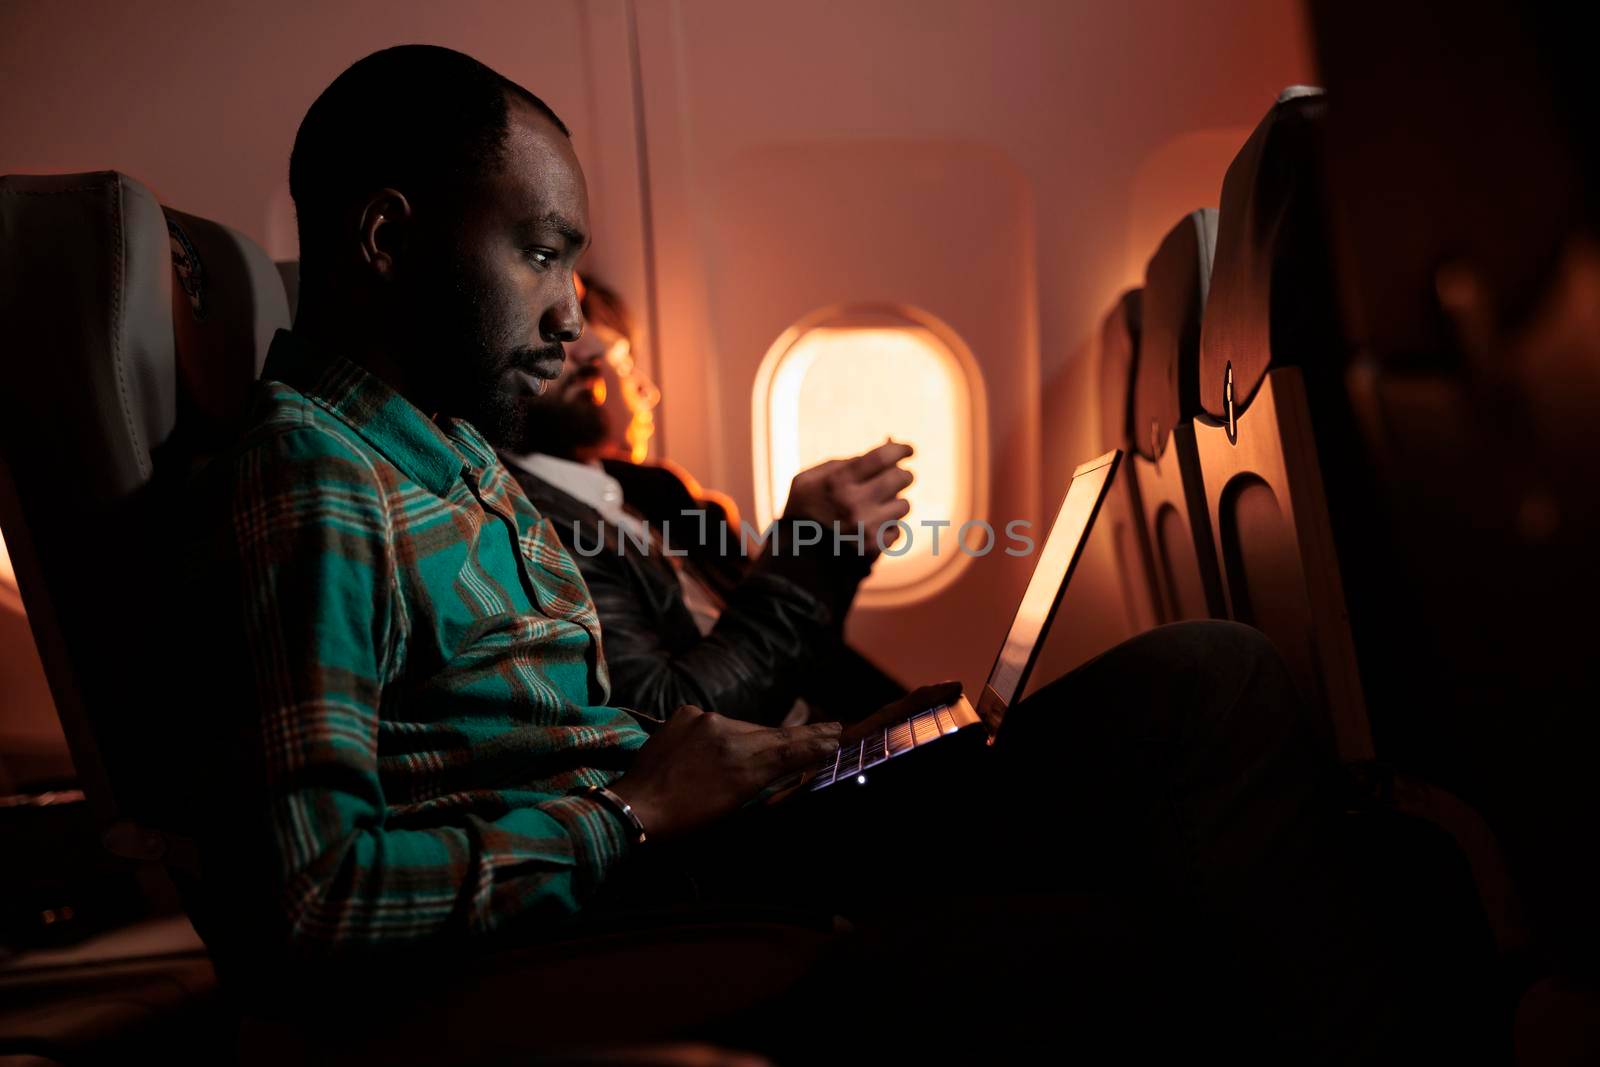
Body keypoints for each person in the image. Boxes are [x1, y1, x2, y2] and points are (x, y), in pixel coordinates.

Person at [183, 44, 1397, 1062]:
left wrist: (779, 758)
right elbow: (311, 901)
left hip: (711, 844)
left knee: (1196, 743)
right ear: (388, 238)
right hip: (642, 905)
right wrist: (634, 808)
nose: (574, 317)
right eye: (542, 252)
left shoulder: (449, 451)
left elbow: (569, 728)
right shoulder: (320, 475)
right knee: (1208, 700)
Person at [501, 276, 905, 725]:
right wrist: (809, 554)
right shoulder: (532, 524)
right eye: (545, 319)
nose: (592, 348)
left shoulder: (631, 489)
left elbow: (786, 651)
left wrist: (837, 557)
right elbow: (671, 718)